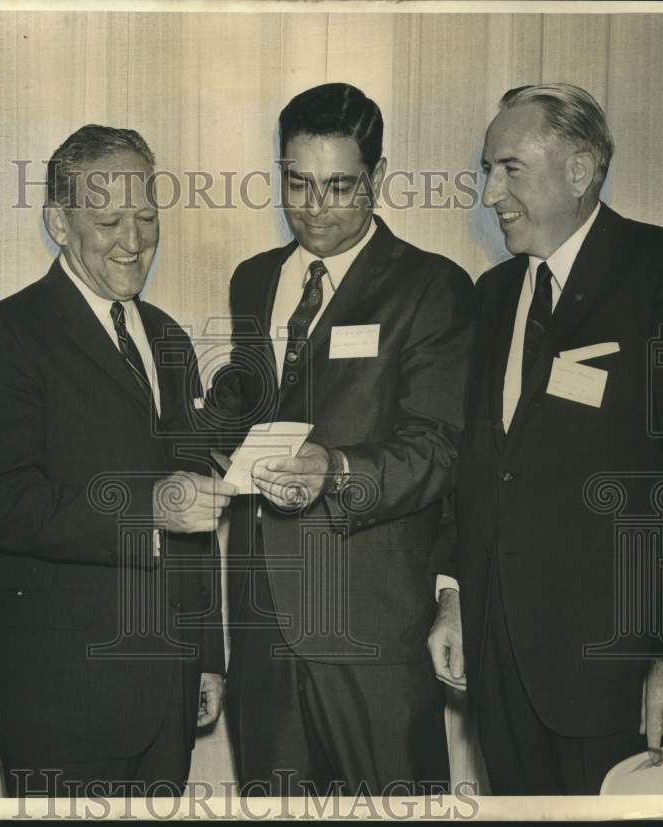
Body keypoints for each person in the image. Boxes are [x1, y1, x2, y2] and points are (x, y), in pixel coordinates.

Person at [428, 83, 663, 795]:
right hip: (503, 669)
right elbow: (478, 464)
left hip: (620, 674)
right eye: (488, 169)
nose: (490, 192)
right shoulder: (491, 296)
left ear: (581, 170)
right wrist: (455, 595)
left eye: (510, 168)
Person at [204, 83, 476, 796]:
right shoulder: (255, 279)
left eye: (338, 186)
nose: (314, 206)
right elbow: (259, 404)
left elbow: (442, 448)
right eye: (297, 182)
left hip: (372, 637)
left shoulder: (432, 287)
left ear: (377, 180)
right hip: (263, 628)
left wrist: (339, 469)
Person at [0, 125, 232, 798]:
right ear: (58, 221)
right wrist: (150, 505)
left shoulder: (168, 337)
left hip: (167, 695)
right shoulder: (4, 336)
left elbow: (192, 503)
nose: (134, 241)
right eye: (108, 220)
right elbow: (6, 506)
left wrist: (206, 657)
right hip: (60, 705)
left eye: (145, 217)